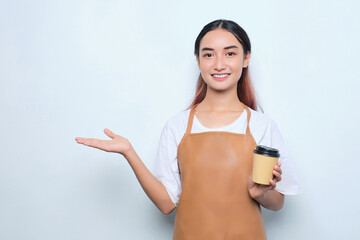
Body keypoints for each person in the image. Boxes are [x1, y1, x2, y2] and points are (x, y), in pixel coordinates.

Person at [75, 19, 302, 239]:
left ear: (246, 59)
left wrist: (260, 193)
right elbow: (166, 204)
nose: (219, 64)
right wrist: (129, 152)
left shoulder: (262, 125)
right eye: (208, 54)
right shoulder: (177, 126)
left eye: (230, 53)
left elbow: (278, 203)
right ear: (198, 61)